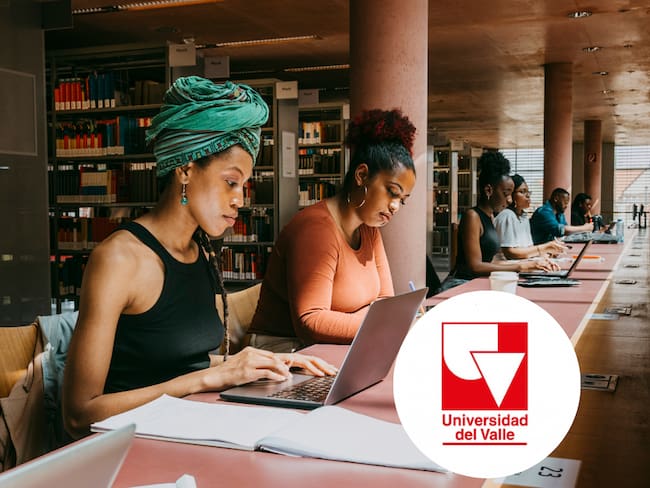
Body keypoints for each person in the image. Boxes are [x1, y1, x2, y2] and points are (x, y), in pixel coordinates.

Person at [62, 77, 336, 439]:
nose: (241, 199)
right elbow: (79, 414)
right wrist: (207, 377)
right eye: (231, 182)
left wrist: (258, 364)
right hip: (128, 448)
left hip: (186, 429)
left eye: (245, 186)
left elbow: (177, 361)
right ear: (186, 169)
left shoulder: (200, 250)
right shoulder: (119, 260)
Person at [247, 109, 417, 352]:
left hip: (333, 345)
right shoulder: (315, 231)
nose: (395, 206)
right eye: (392, 191)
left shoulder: (369, 229)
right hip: (283, 351)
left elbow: (384, 302)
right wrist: (382, 325)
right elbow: (312, 321)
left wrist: (379, 321)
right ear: (362, 175)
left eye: (403, 199)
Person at [441, 152, 555, 289]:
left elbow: (490, 261)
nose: (510, 200)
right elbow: (475, 266)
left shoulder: (491, 216)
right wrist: (521, 266)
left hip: (479, 283)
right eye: (506, 193)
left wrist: (533, 263)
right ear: (489, 190)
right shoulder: (472, 216)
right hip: (462, 284)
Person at [495, 174, 567, 260]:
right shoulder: (507, 215)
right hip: (506, 268)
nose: (528, 195)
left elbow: (529, 247)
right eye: (522, 192)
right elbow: (510, 253)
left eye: (528, 192)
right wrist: (544, 248)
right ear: (511, 195)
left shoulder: (524, 217)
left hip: (522, 264)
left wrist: (545, 253)